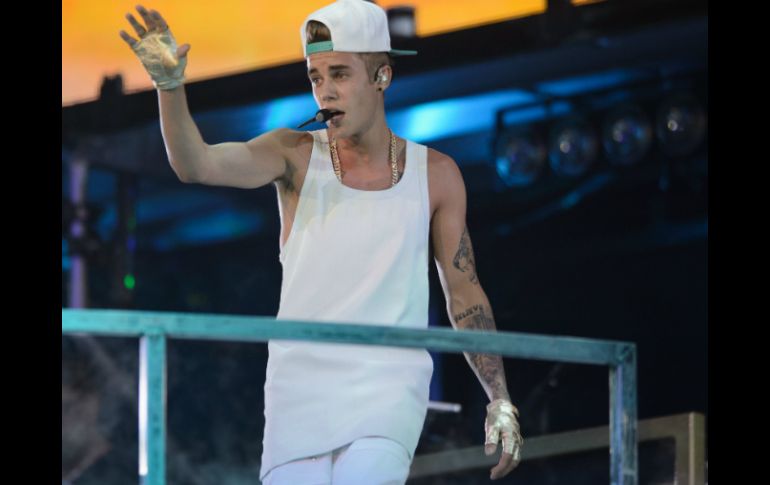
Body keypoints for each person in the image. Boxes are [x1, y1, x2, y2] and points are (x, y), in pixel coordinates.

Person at [120, 1, 523, 483]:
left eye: (340, 74)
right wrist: (170, 88)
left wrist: (499, 397)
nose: (325, 91)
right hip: (298, 394)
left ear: (382, 76)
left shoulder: (435, 173)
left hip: (386, 391)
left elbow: (464, 292)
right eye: (315, 77)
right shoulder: (292, 154)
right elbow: (196, 165)